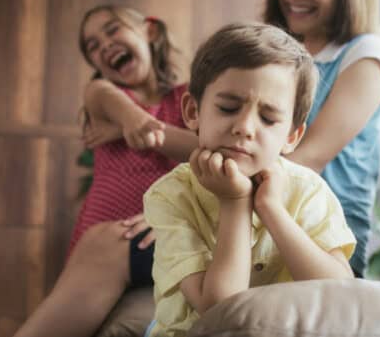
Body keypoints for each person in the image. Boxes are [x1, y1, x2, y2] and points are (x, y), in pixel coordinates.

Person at [144, 22, 356, 337]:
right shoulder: (170, 195)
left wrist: (271, 208)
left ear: (292, 136)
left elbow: (341, 298)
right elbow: (221, 311)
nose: (245, 127)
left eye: (268, 118)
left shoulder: (308, 190)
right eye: (229, 108)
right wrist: (236, 203)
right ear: (192, 111)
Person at [14, 5, 197, 337]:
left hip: (145, 233)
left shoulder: (188, 98)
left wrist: (135, 130)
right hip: (104, 240)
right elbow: (141, 124)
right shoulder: (101, 94)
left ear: (150, 31)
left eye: (113, 30)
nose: (104, 45)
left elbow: (200, 149)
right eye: (93, 47)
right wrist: (133, 125)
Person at [263, 0, 380, 276]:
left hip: (327, 238)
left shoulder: (365, 55)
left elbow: (307, 158)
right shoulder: (282, 51)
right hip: (266, 212)